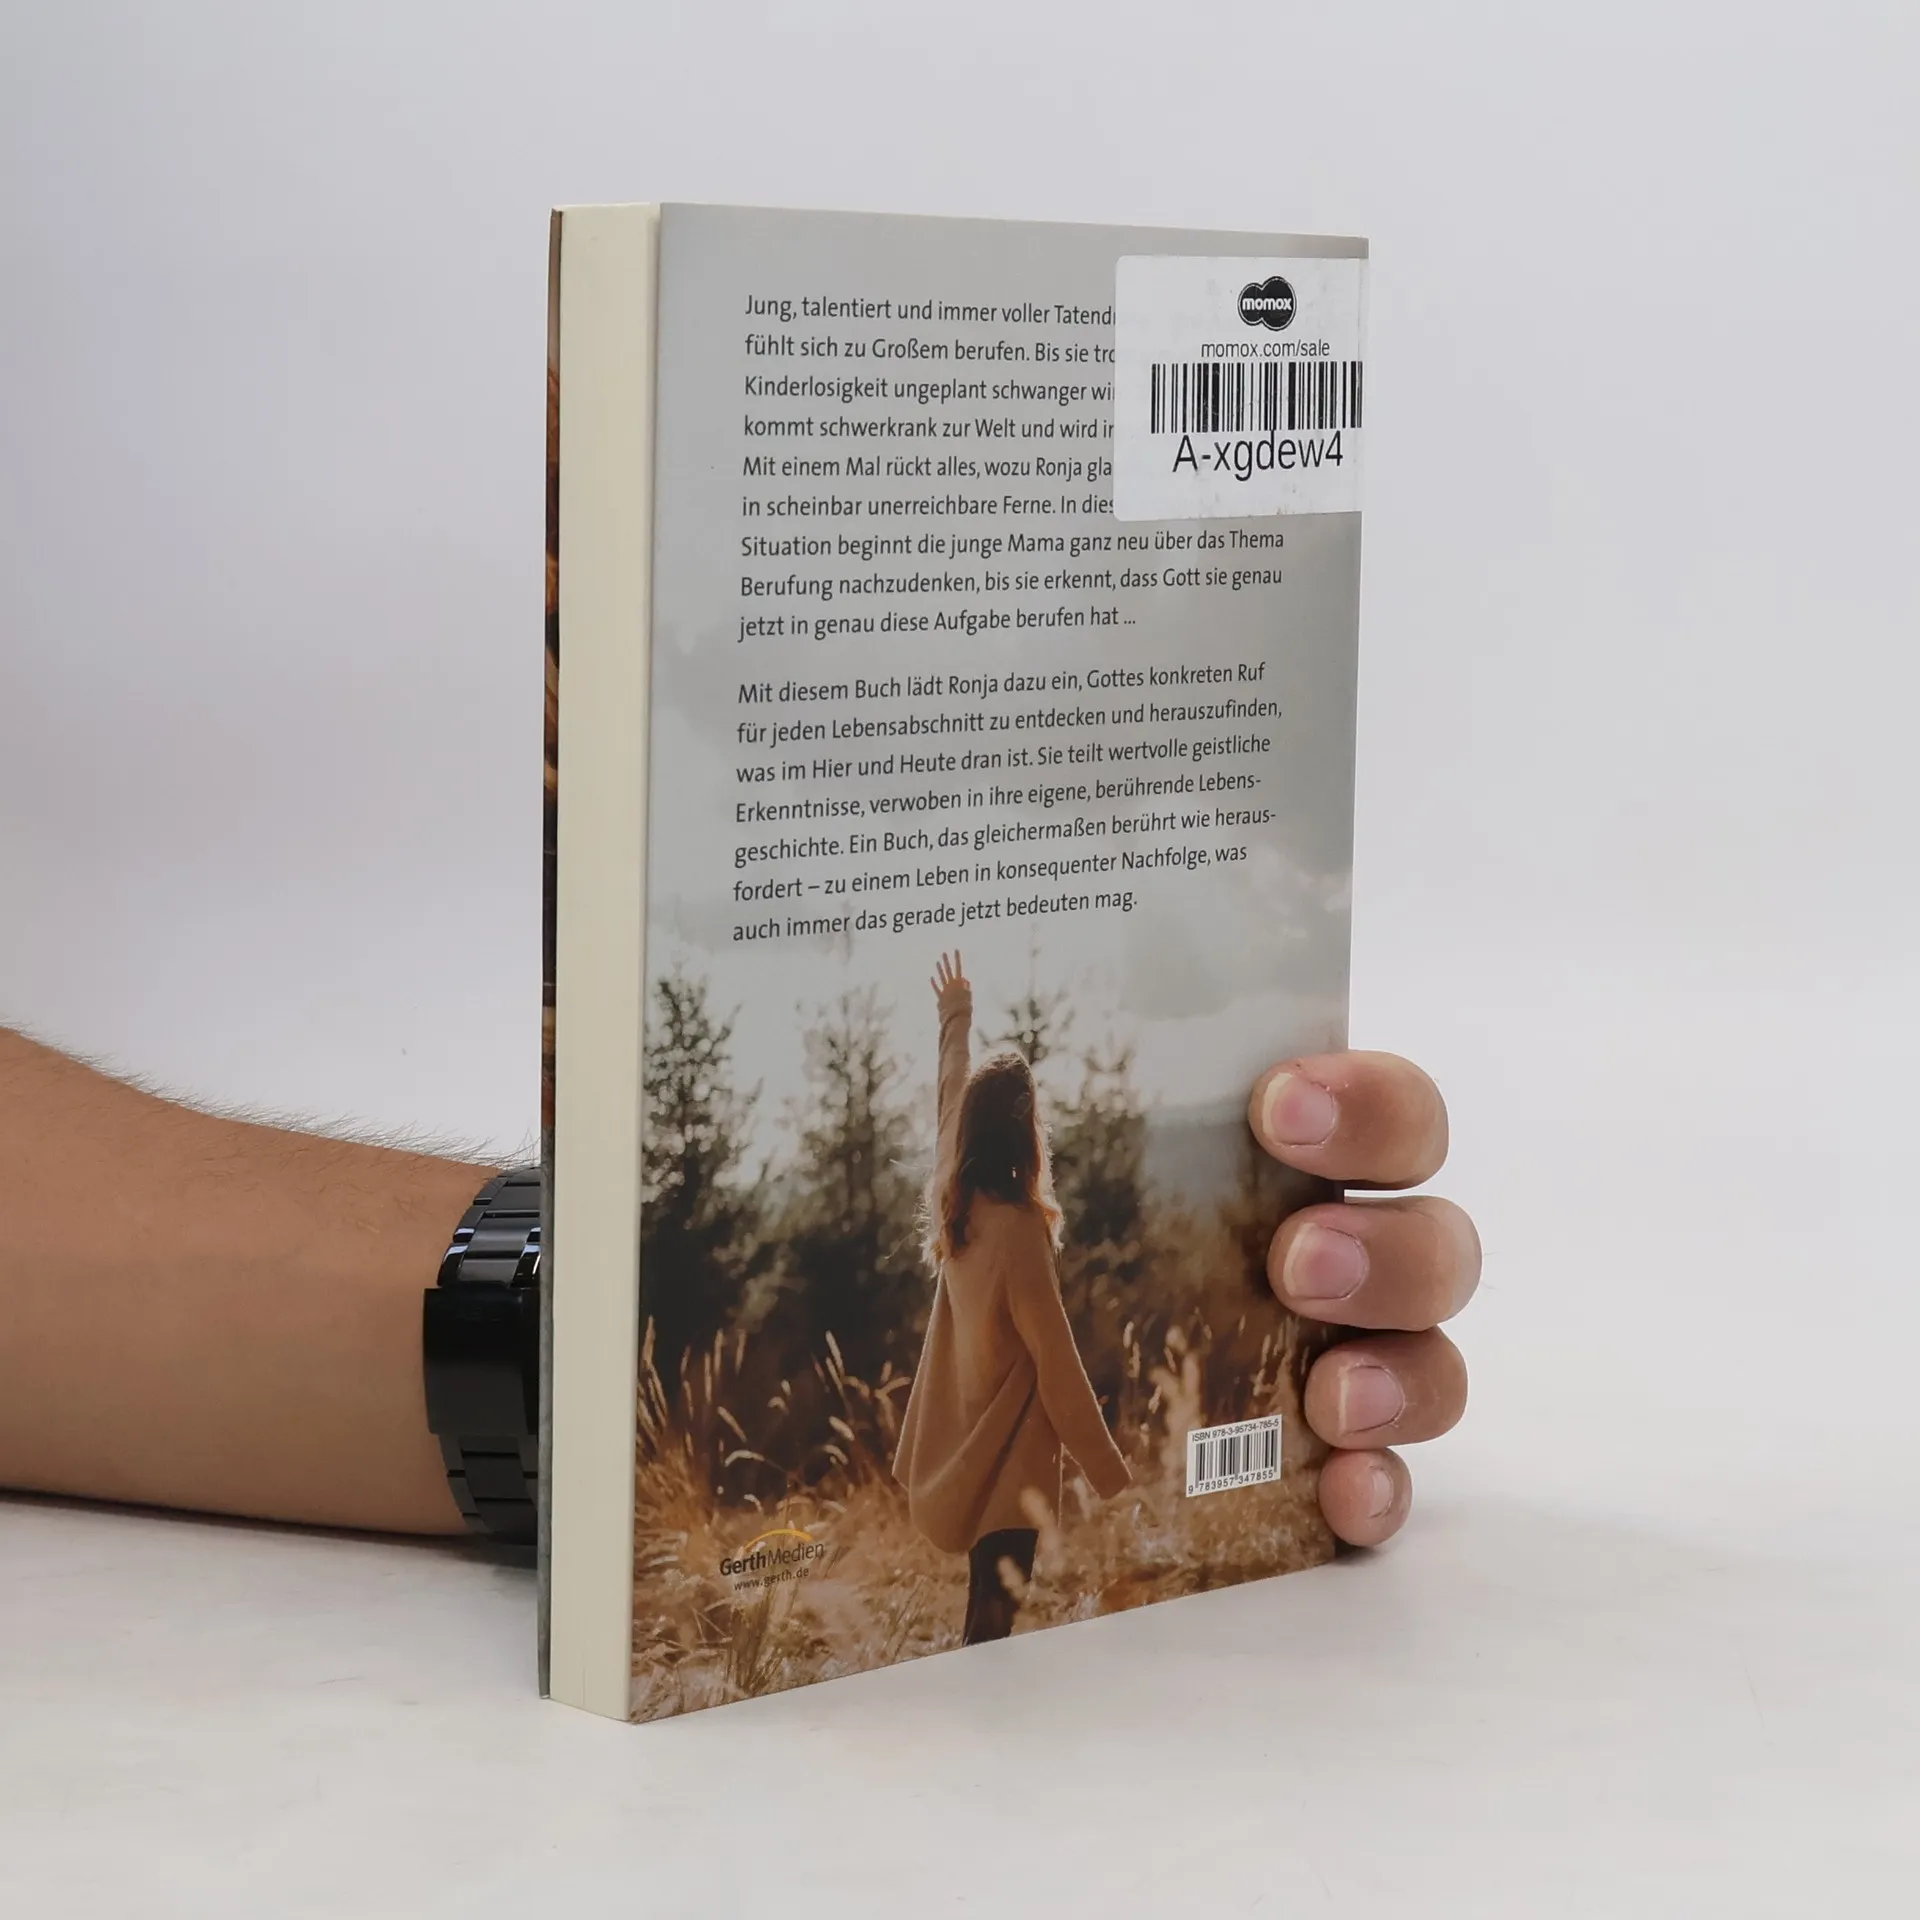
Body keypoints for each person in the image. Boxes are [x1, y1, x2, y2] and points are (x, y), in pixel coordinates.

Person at [0, 1011, 1476, 1552]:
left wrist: (572, 1343)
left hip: (930, 1488)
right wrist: (1134, 1488)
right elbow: (1063, 1380)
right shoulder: (1018, 1238)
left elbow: (948, 1115)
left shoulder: (958, 1218)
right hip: (994, 1502)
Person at [894, 951, 1135, 1642]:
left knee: (985, 1611)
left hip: (964, 1441)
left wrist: (955, 1013)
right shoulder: (1020, 1230)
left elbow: (950, 1091)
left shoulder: (956, 1197)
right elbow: (1055, 1359)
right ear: (1027, 1132)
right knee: (992, 1625)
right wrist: (1107, 1471)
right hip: (1009, 1464)